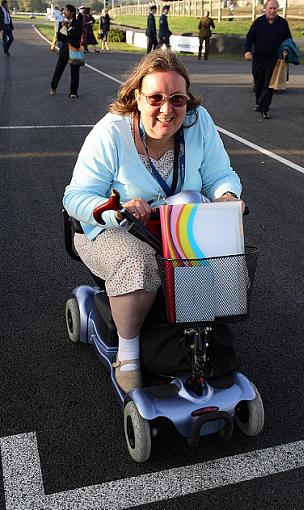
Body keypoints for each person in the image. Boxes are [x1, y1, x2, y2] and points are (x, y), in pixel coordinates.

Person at [63, 49, 243, 393]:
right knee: (139, 263)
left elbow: (220, 173)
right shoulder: (111, 133)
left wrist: (226, 197)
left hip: (171, 225)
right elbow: (75, 197)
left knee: (217, 246)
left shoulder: (197, 121)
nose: (167, 109)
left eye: (178, 99)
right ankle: (128, 352)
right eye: (156, 98)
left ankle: (196, 341)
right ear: (136, 97)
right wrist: (114, 209)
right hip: (106, 228)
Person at [244, 0, 291, 119]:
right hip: (258, 58)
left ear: (277, 9)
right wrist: (247, 51)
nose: (272, 11)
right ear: (265, 9)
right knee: (258, 83)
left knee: (269, 85)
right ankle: (259, 102)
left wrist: (286, 49)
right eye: (270, 8)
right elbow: (249, 38)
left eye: (274, 8)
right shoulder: (258, 22)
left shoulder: (282, 23)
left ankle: (264, 108)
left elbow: (288, 40)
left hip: (274, 60)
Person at [50, 4, 83, 98]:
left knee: (75, 71)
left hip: (74, 48)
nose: (64, 12)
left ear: (72, 12)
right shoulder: (62, 22)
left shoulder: (78, 23)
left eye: (66, 11)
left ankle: (73, 92)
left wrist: (68, 30)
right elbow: (59, 37)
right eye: (63, 10)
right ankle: (53, 86)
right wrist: (64, 28)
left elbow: (76, 36)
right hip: (64, 48)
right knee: (59, 68)